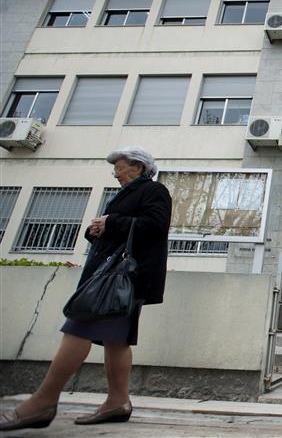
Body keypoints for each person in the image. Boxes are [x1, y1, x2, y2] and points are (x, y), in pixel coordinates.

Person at [0, 146, 172, 431]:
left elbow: (155, 226)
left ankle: (43, 402)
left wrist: (111, 222)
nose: (114, 173)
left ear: (138, 167)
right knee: (117, 341)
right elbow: (123, 231)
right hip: (116, 279)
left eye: (119, 167)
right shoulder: (128, 194)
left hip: (120, 279)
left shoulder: (154, 191)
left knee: (78, 327)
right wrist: (96, 230)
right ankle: (118, 402)